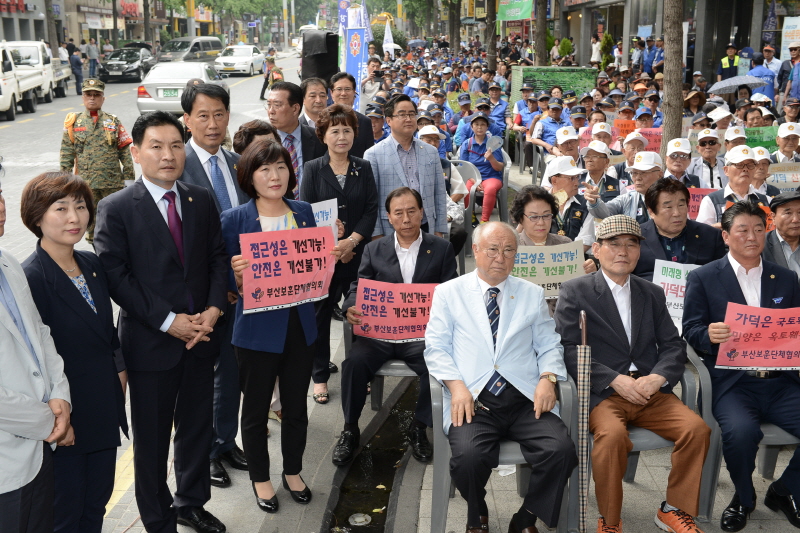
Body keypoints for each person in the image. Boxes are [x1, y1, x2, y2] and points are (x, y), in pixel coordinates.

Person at [94, 111, 229, 533]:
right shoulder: (115, 208)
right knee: (151, 442)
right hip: (152, 344)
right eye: (156, 146)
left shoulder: (199, 199)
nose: (168, 155)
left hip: (201, 337)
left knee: (196, 428)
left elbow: (217, 258)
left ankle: (191, 502)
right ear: (136, 152)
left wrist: (212, 310)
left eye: (175, 145)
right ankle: (157, 519)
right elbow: (117, 278)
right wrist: (170, 322)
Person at [555, 215, 711, 533]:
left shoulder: (651, 293)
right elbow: (568, 349)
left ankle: (673, 509)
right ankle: (610, 520)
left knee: (697, 429)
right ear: (596, 249)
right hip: (604, 394)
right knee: (612, 437)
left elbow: (672, 346)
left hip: (650, 392)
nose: (623, 251)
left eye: (631, 243)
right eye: (614, 243)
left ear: (640, 251)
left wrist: (657, 378)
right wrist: (614, 379)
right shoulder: (575, 291)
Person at [424, 221, 578, 533]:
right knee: (467, 457)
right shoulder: (448, 293)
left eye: (509, 250)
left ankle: (525, 517)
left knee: (561, 450)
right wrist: (456, 387)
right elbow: (435, 348)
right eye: (493, 249)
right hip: (473, 398)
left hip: (524, 398)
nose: (501, 257)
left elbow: (549, 344)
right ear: (476, 251)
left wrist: (548, 378)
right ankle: (477, 507)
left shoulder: (531, 294)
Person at [683, 201, 800, 532]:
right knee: (741, 433)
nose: (753, 237)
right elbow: (690, 329)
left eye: (760, 229)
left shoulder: (786, 278)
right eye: (743, 230)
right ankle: (744, 498)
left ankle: (785, 488)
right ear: (725, 235)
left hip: (780, 381)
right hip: (734, 383)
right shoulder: (704, 277)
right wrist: (708, 334)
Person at [20, 172, 127, 533]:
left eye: (80, 207)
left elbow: (109, 336)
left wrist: (120, 377)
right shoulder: (31, 279)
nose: (74, 217)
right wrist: (55, 417)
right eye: (60, 208)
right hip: (65, 416)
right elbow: (31, 359)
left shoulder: (92, 264)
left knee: (97, 502)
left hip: (102, 407)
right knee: (65, 512)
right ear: (37, 217)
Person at [221, 140, 322, 514]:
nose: (274, 176)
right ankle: (261, 478)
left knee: (296, 406)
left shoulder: (304, 211)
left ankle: (292, 471)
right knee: (256, 408)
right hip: (256, 331)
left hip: (299, 325)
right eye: (264, 169)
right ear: (250, 175)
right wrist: (234, 278)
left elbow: (314, 265)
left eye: (280, 166)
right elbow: (222, 281)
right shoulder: (234, 220)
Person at [332, 187, 457, 466]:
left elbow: (453, 291)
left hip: (421, 336)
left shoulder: (441, 248)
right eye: (399, 213)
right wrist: (350, 306)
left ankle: (418, 426)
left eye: (412, 211)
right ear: (389, 217)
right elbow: (358, 287)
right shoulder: (374, 249)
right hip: (380, 334)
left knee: (438, 364)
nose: (407, 218)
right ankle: (350, 429)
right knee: (353, 362)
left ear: (422, 212)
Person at [178, 82, 250, 489]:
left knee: (233, 372)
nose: (212, 123)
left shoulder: (239, 162)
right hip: (202, 297)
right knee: (202, 378)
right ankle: (202, 452)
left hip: (243, 291)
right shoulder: (176, 165)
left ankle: (224, 441)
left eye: (219, 114)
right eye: (202, 115)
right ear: (187, 120)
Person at [0, 176, 72, 533]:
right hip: (6, 462)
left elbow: (39, 333)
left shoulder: (8, 263)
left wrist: (60, 393)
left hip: (39, 455)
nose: (0, 207)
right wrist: (47, 421)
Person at [300, 104, 379, 405]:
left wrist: (352, 242)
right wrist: (334, 245)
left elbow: (371, 208)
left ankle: (360, 371)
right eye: (335, 130)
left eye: (347, 130)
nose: (342, 136)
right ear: (323, 135)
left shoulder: (364, 167)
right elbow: (306, 213)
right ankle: (319, 377)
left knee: (361, 314)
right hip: (324, 258)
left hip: (358, 255)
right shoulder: (312, 169)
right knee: (319, 318)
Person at [59, 79, 134, 245]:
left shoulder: (113, 122)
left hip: (112, 184)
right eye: (88, 94)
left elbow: (125, 152)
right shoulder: (73, 122)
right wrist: (65, 182)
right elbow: (67, 154)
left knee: (115, 222)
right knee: (91, 225)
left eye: (96, 95)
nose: (92, 98)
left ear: (103, 98)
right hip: (86, 184)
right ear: (83, 97)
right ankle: (97, 255)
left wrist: (129, 180)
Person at [365, 94, 448, 239]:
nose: (408, 119)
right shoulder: (374, 155)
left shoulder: (430, 152)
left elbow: (439, 193)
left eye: (411, 114)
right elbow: (370, 200)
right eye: (402, 114)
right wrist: (377, 234)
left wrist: (439, 229)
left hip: (426, 225)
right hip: (391, 230)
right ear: (389, 120)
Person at [511, 184, 597, 314]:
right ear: (520, 219)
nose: (541, 222)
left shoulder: (565, 245)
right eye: (533, 217)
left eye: (546, 215)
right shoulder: (511, 248)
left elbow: (579, 291)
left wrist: (590, 272)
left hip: (562, 317)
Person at [632, 178, 726, 281]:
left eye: (681, 205)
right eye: (668, 207)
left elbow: (721, 277)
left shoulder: (711, 236)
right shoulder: (636, 237)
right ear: (651, 212)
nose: (677, 213)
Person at [265, 81, 327, 198]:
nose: (271, 111)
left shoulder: (319, 139)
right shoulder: (263, 142)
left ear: (295, 109)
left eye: (277, 105)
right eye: (269, 105)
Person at [696, 145, 770, 228]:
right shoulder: (712, 200)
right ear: (726, 170)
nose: (745, 169)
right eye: (739, 164)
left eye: (750, 165)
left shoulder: (767, 201)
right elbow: (700, 234)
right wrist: (713, 230)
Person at [459, 112, 505, 224]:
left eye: (483, 124)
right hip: (473, 177)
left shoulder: (493, 143)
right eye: (476, 124)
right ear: (472, 127)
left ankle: (485, 221)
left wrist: (491, 159)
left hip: (491, 176)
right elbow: (463, 167)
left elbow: (499, 167)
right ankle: (471, 217)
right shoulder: (467, 144)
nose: (479, 127)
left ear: (487, 127)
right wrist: (474, 180)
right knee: (466, 189)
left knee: (489, 189)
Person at [329, 72, 379, 159]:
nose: (343, 93)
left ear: (354, 92)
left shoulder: (365, 122)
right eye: (339, 89)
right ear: (332, 93)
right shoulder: (324, 120)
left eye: (347, 89)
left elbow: (369, 155)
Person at [762, 191, 800, 277]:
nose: (796, 219)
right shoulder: (760, 244)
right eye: (788, 213)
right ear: (773, 217)